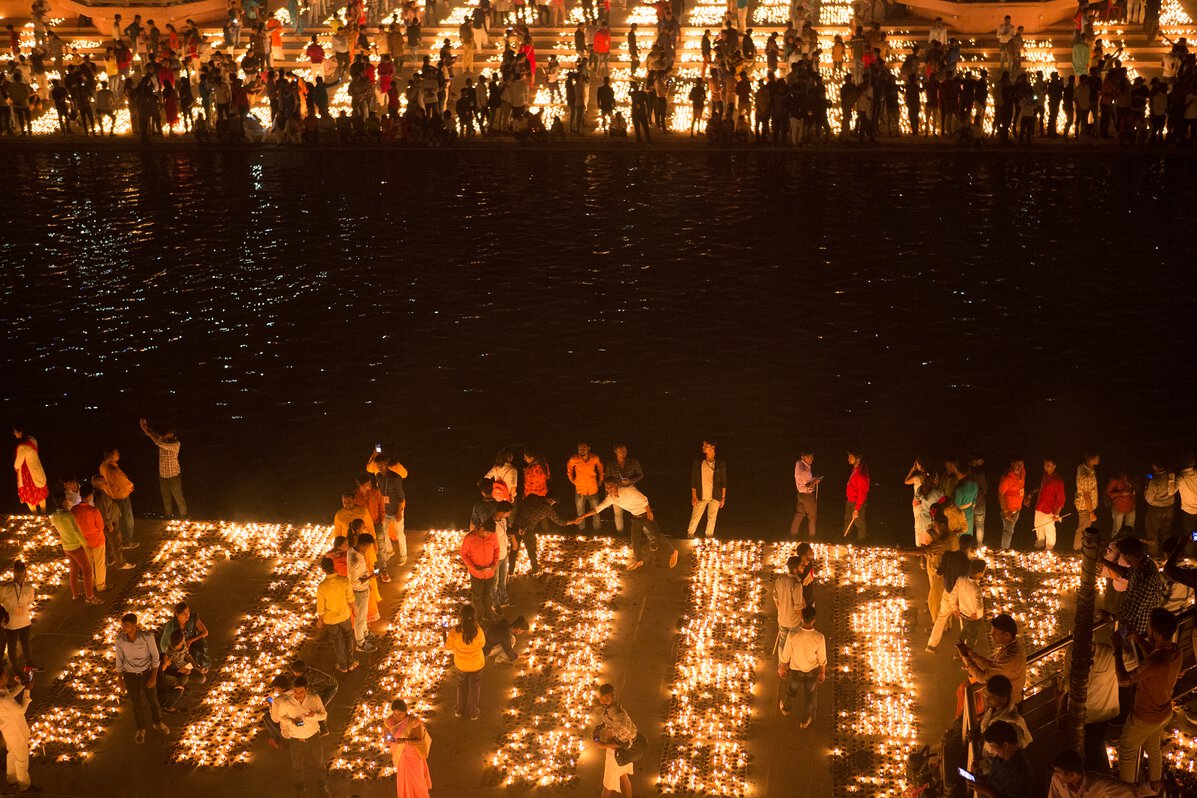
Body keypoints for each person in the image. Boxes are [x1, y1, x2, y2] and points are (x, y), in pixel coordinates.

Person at [1112, 608, 1181, 789]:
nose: (1147, 629)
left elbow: (1124, 680)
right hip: (1163, 712)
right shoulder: (1175, 650)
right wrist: (1138, 639)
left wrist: (1117, 650)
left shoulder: (1155, 662)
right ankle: (1155, 787)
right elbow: (1155, 656)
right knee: (1153, 748)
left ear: (1156, 633)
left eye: (1149, 627)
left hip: (1145, 717)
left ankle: (1127, 793)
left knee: (1127, 752)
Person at [575, 480, 678, 571]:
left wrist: (649, 513)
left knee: (657, 535)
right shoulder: (611, 498)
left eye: (610, 486)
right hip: (635, 517)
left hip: (644, 515)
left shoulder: (628, 490)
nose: (608, 489)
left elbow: (644, 499)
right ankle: (639, 561)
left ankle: (673, 552)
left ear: (616, 485)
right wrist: (583, 516)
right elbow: (598, 508)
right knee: (634, 539)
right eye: (606, 487)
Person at [1062, 631, 1119, 772]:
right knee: (1076, 746)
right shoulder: (1071, 651)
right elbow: (1067, 675)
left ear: (1094, 644)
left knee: (1092, 749)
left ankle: (1088, 773)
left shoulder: (1109, 655)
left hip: (1098, 716)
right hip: (1076, 711)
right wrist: (1063, 689)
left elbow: (1134, 663)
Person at [114, 612, 170, 743]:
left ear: (135, 626)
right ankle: (140, 728)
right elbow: (119, 659)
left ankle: (158, 722)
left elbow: (155, 657)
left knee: (153, 700)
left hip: (146, 673)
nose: (123, 628)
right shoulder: (120, 640)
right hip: (130, 675)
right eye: (123, 625)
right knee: (136, 703)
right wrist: (120, 679)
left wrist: (153, 677)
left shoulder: (147, 637)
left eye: (127, 625)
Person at [275, 676, 330, 797]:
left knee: (319, 762)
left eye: (301, 692)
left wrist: (314, 715)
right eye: (295, 691)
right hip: (296, 739)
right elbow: (280, 717)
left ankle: (322, 785)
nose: (298, 695)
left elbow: (324, 715)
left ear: (307, 690)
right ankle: (300, 789)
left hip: (314, 736)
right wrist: (291, 722)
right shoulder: (286, 703)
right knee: (297, 765)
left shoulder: (314, 699)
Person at [1101, 537, 1167, 637]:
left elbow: (1131, 613)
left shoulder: (1146, 579)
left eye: (1121, 555)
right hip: (1128, 623)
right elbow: (1127, 573)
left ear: (1128, 556)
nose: (1121, 558)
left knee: (1119, 640)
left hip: (1136, 630)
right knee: (1116, 636)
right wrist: (1104, 562)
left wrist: (1110, 616)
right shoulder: (1143, 563)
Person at [959, 614, 1027, 706]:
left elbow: (982, 678)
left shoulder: (1011, 656)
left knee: (965, 692)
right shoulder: (1011, 646)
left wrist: (965, 658)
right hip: (1003, 697)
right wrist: (971, 654)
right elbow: (994, 666)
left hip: (1007, 704)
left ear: (1006, 635)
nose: (991, 634)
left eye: (995, 632)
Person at [777, 606, 826, 727]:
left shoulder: (793, 635)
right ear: (814, 619)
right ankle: (804, 720)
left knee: (792, 691)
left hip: (796, 671)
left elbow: (786, 654)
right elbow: (822, 659)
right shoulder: (819, 637)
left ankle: (786, 709)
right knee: (809, 697)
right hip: (812, 672)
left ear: (801, 617)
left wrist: (782, 668)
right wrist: (822, 672)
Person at [49, 491, 100, 605]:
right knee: (87, 570)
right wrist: (85, 544)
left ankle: (75, 594)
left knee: (74, 569)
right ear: (63, 502)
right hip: (76, 547)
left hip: (66, 547)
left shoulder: (54, 516)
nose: (68, 501)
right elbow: (76, 531)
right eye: (66, 499)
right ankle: (90, 597)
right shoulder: (68, 515)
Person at [928, 556, 986, 653]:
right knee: (969, 634)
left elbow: (953, 594)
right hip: (971, 614)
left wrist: (955, 608)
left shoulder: (960, 578)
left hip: (956, 604)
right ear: (980, 573)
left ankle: (933, 645)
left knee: (944, 620)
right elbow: (979, 606)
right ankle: (965, 654)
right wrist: (979, 616)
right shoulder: (976, 588)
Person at [367, 449, 410, 568]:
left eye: (381, 465)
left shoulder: (395, 478)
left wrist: (399, 512)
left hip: (396, 509)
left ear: (386, 464)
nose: (380, 468)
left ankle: (403, 555)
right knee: (383, 531)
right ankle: (390, 551)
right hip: (385, 510)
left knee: (399, 534)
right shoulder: (378, 477)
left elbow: (401, 497)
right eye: (378, 466)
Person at [968, 721, 1033, 798]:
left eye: (993, 746)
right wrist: (979, 778)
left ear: (1005, 745)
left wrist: (985, 790)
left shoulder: (1018, 772)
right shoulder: (1001, 757)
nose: (991, 750)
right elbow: (995, 776)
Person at [594, 683, 637, 798]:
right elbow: (612, 722)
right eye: (601, 698)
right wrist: (602, 726)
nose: (603, 701)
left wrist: (603, 745)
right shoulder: (614, 707)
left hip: (615, 752)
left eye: (606, 698)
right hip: (621, 752)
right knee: (623, 776)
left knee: (608, 786)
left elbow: (625, 740)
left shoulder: (617, 714)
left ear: (612, 696)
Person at [1047, 749, 1148, 798]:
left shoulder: (1101, 784)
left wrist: (1153, 787)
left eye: (1058, 771)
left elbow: (1132, 790)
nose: (1055, 774)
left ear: (1072, 774)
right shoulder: (1057, 780)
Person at [383, 698, 432, 798]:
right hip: (400, 755)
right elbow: (385, 737)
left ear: (405, 712)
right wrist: (388, 740)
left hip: (413, 755)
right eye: (394, 714)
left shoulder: (413, 722)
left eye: (399, 714)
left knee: (417, 780)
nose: (397, 717)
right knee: (404, 780)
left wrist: (404, 741)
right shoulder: (389, 721)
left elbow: (419, 740)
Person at [444, 604, 485, 720]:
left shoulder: (454, 631)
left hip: (461, 664)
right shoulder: (478, 630)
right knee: (474, 687)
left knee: (462, 686)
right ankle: (473, 713)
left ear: (461, 617)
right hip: (476, 664)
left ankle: (459, 710)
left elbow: (448, 647)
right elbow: (482, 644)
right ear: (474, 616)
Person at [316, 557, 357, 673]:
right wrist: (355, 609)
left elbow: (320, 606)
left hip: (331, 619)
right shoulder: (344, 580)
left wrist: (320, 620)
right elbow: (350, 598)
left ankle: (342, 665)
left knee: (337, 641)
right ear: (334, 567)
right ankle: (351, 662)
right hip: (344, 615)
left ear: (323, 570)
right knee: (348, 636)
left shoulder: (322, 586)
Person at [139, 418, 187, 518]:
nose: (164, 436)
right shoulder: (163, 438)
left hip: (174, 476)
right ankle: (168, 517)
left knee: (179, 498)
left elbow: (158, 442)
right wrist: (144, 426)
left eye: (167, 434)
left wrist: (152, 435)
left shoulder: (176, 444)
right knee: (166, 499)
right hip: (163, 476)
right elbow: (151, 433)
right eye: (164, 434)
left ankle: (184, 516)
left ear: (172, 435)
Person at [0, 562, 41, 674]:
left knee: (26, 644)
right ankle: (17, 670)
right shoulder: (5, 589)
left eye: (21, 571)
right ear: (13, 573)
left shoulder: (29, 588)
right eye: (17, 571)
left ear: (25, 573)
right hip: (10, 624)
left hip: (25, 621)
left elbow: (29, 601)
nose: (19, 574)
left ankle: (29, 663)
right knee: (12, 648)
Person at [0, 667, 32, 793]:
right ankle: (24, 786)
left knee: (12, 753)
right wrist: (27, 691)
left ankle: (11, 779)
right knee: (22, 758)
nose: (8, 677)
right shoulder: (3, 699)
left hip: (8, 731)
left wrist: (22, 685)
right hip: (16, 732)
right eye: (5, 676)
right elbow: (21, 710)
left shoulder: (2, 693)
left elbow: (10, 694)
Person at [461, 520, 499, 624]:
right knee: (477, 596)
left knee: (487, 595)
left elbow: (497, 549)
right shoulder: (469, 538)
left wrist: (495, 564)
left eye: (491, 534)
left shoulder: (493, 535)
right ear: (482, 529)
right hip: (476, 574)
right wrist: (473, 568)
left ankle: (488, 614)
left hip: (490, 573)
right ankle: (478, 617)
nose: (489, 536)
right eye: (487, 533)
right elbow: (464, 554)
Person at [158, 629, 207, 711]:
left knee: (202, 679)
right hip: (176, 671)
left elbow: (187, 655)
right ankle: (179, 688)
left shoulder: (183, 645)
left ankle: (184, 685)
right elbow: (166, 670)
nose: (185, 639)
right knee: (184, 680)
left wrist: (196, 666)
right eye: (183, 638)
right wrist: (180, 671)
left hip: (186, 666)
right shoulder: (170, 653)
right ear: (179, 642)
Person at [99, 447, 137, 550]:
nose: (119, 455)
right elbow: (124, 484)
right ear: (112, 457)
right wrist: (131, 487)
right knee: (126, 520)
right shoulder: (114, 471)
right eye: (116, 454)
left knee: (118, 519)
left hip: (110, 496)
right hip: (121, 497)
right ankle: (126, 541)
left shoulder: (103, 465)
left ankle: (120, 540)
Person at [687, 439, 727, 538]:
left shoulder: (720, 463)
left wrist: (723, 497)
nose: (703, 447)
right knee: (695, 517)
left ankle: (709, 538)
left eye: (706, 446)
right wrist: (694, 496)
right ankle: (690, 536)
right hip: (701, 495)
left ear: (712, 448)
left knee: (712, 518)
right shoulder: (699, 462)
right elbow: (694, 481)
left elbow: (723, 481)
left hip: (715, 495)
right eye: (703, 445)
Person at [91, 474, 131, 570]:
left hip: (107, 522)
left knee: (108, 542)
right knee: (117, 542)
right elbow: (103, 510)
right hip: (110, 522)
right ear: (100, 484)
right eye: (104, 482)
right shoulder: (101, 496)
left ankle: (110, 559)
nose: (106, 483)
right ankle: (121, 563)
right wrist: (108, 523)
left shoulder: (96, 494)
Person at [73, 483, 108, 593]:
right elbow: (101, 526)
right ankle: (100, 585)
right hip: (97, 540)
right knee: (99, 563)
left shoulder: (74, 510)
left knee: (88, 564)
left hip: (83, 541)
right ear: (90, 496)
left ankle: (91, 584)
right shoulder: (94, 511)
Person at [347, 534, 378, 653]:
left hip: (363, 589)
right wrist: (371, 577)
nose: (368, 549)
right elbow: (355, 583)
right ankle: (360, 643)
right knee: (359, 619)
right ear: (364, 545)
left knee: (363, 615)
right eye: (368, 547)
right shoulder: (356, 561)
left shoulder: (352, 550)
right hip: (359, 592)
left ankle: (365, 633)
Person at [160, 601, 211, 671]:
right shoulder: (171, 626)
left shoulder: (192, 619)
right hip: (179, 648)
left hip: (190, 645)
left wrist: (191, 640)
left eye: (188, 612)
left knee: (200, 646)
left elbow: (205, 632)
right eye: (184, 613)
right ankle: (187, 669)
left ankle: (201, 666)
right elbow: (164, 644)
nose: (187, 615)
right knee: (182, 662)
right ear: (177, 615)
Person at [605, 444, 644, 535]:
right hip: (616, 492)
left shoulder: (633, 462)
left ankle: (644, 534)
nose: (623, 453)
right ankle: (620, 534)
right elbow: (607, 480)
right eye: (620, 451)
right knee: (618, 514)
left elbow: (641, 474)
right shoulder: (611, 464)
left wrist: (630, 480)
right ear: (615, 452)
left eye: (624, 451)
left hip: (630, 491)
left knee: (638, 512)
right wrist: (607, 495)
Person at [567, 442, 605, 532]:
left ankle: (597, 531)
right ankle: (581, 531)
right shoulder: (574, 458)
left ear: (588, 448)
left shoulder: (595, 458)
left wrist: (600, 480)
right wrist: (573, 481)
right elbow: (569, 470)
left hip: (593, 489)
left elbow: (601, 468)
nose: (582, 450)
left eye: (584, 448)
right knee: (580, 513)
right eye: (580, 448)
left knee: (595, 511)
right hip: (580, 490)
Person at [772, 555, 805, 659]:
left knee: (782, 642)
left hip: (782, 618)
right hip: (794, 621)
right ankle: (791, 663)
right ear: (795, 570)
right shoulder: (796, 585)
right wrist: (804, 621)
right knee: (794, 643)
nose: (803, 567)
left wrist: (781, 611)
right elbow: (797, 608)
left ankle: (781, 663)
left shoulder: (780, 578)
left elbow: (775, 598)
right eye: (801, 566)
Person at [1143, 462, 1177, 553]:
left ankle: (1154, 556)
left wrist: (1146, 488)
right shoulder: (1171, 476)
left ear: (1154, 466)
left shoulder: (1154, 481)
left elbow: (1148, 499)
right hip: (1169, 509)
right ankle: (1167, 554)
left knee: (1152, 533)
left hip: (1155, 510)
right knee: (1166, 533)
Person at [12, 428, 47, 514]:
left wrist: (15, 467)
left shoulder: (22, 446)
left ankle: (35, 515)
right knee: (40, 493)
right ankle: (44, 514)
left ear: (20, 432)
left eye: (15, 432)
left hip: (27, 475)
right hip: (37, 469)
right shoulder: (32, 439)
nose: (14, 433)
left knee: (29, 495)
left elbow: (18, 463)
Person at [1034, 458, 1066, 551]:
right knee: (1038, 526)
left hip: (1049, 509)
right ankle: (1040, 543)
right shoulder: (1045, 475)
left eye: (1048, 465)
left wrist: (1057, 513)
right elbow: (1042, 488)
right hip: (1039, 506)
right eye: (1045, 465)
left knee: (1049, 529)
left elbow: (1061, 499)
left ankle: (1049, 548)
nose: (1045, 467)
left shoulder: (1058, 481)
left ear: (1054, 466)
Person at [789, 449, 821, 538]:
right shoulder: (805, 471)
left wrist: (813, 479)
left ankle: (792, 536)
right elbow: (807, 485)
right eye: (808, 457)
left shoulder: (799, 463)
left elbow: (804, 480)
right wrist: (815, 481)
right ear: (803, 457)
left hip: (800, 494)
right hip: (807, 496)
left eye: (811, 457)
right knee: (812, 516)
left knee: (798, 515)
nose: (811, 459)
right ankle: (812, 537)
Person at [1073, 452, 1100, 550]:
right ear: (1091, 459)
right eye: (1097, 457)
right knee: (1083, 529)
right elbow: (1086, 495)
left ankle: (1079, 549)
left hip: (1084, 504)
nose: (1099, 459)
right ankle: (1077, 549)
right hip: (1085, 507)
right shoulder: (1087, 476)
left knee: (1084, 527)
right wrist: (1091, 513)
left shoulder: (1082, 467)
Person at [998, 458, 1026, 550]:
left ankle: (1006, 548)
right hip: (1009, 510)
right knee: (1008, 531)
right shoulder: (1007, 478)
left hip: (1018, 508)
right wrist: (1005, 511)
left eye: (1022, 464)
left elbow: (1022, 486)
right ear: (1012, 464)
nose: (1020, 467)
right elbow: (1000, 494)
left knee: (1011, 529)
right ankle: (1004, 550)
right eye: (1018, 464)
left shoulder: (1023, 472)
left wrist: (1025, 497)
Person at [844, 450, 870, 541]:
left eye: (851, 457)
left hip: (858, 502)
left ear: (858, 459)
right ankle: (845, 539)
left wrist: (857, 509)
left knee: (859, 522)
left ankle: (861, 541)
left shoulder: (862, 475)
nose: (848, 459)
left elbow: (862, 494)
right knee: (847, 520)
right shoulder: (855, 469)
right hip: (850, 500)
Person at [263, 673, 292, 749]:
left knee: (266, 716)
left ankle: (277, 739)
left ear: (278, 687)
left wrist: (271, 706)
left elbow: (275, 720)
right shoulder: (297, 692)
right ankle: (276, 738)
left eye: (275, 688)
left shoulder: (278, 700)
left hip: (290, 730)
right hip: (302, 723)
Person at [1106, 470, 1137, 537]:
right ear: (1125, 476)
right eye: (1128, 482)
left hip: (1131, 507)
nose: (1129, 484)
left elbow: (1139, 488)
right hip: (1119, 507)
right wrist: (1121, 493)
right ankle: (1114, 542)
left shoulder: (1135, 479)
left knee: (1130, 528)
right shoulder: (1116, 479)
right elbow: (1108, 492)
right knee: (1117, 528)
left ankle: (1129, 542)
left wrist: (1135, 491)